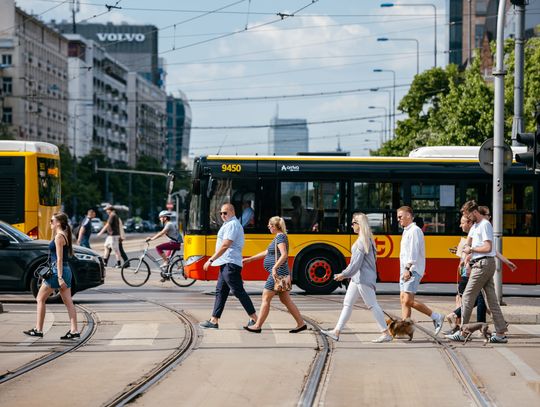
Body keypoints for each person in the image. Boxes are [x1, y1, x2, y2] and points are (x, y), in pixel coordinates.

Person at [321, 212, 392, 343]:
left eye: (353, 223)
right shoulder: (366, 239)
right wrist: (348, 274)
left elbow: (355, 264)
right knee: (347, 303)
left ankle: (385, 333)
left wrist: (343, 274)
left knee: (372, 305)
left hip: (363, 278)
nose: (351, 225)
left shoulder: (361, 242)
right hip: (357, 278)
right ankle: (336, 331)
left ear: (360, 225)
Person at [447, 201, 510, 343]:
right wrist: (466, 252)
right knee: (492, 300)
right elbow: (468, 243)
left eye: (468, 215)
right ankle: (500, 333)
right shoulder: (475, 226)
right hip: (480, 263)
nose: (467, 219)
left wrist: (472, 250)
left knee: (468, 295)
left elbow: (488, 247)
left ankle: (463, 332)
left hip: (483, 264)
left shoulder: (485, 225)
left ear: (474, 212)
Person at [242, 216, 306, 333]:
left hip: (278, 273)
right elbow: (267, 252)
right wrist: (251, 259)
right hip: (282, 272)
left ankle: (257, 325)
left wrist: (275, 267)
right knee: (286, 300)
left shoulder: (280, 237)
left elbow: (284, 254)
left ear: (275, 226)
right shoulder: (278, 237)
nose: (268, 227)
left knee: (266, 298)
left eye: (269, 225)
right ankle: (301, 323)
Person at [199, 203, 258, 329]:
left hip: (230, 263)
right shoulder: (228, 224)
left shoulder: (232, 225)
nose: (222, 215)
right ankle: (214, 320)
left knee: (238, 291)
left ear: (232, 212)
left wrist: (210, 260)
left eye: (225, 213)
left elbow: (226, 245)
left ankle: (254, 319)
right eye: (221, 213)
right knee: (220, 291)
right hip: (225, 263)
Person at [24, 212, 80, 339]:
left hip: (57, 271)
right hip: (66, 270)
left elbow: (59, 259)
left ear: (58, 223)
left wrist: (59, 278)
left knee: (40, 298)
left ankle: (38, 329)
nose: (50, 223)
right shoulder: (63, 235)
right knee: (68, 301)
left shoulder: (59, 237)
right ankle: (74, 330)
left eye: (51, 221)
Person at [397, 206, 444, 335]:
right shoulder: (407, 231)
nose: (398, 219)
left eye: (400, 216)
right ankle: (405, 328)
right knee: (403, 299)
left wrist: (408, 269)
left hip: (412, 270)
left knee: (408, 300)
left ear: (408, 215)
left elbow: (413, 252)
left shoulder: (414, 231)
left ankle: (436, 316)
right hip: (405, 270)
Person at [146, 210, 183, 282]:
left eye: (161, 217)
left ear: (165, 218)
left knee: (158, 247)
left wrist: (152, 239)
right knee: (168, 258)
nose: (160, 219)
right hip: (174, 243)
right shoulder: (168, 224)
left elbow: (161, 233)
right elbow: (161, 232)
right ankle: (167, 276)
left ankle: (166, 262)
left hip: (175, 244)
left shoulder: (169, 224)